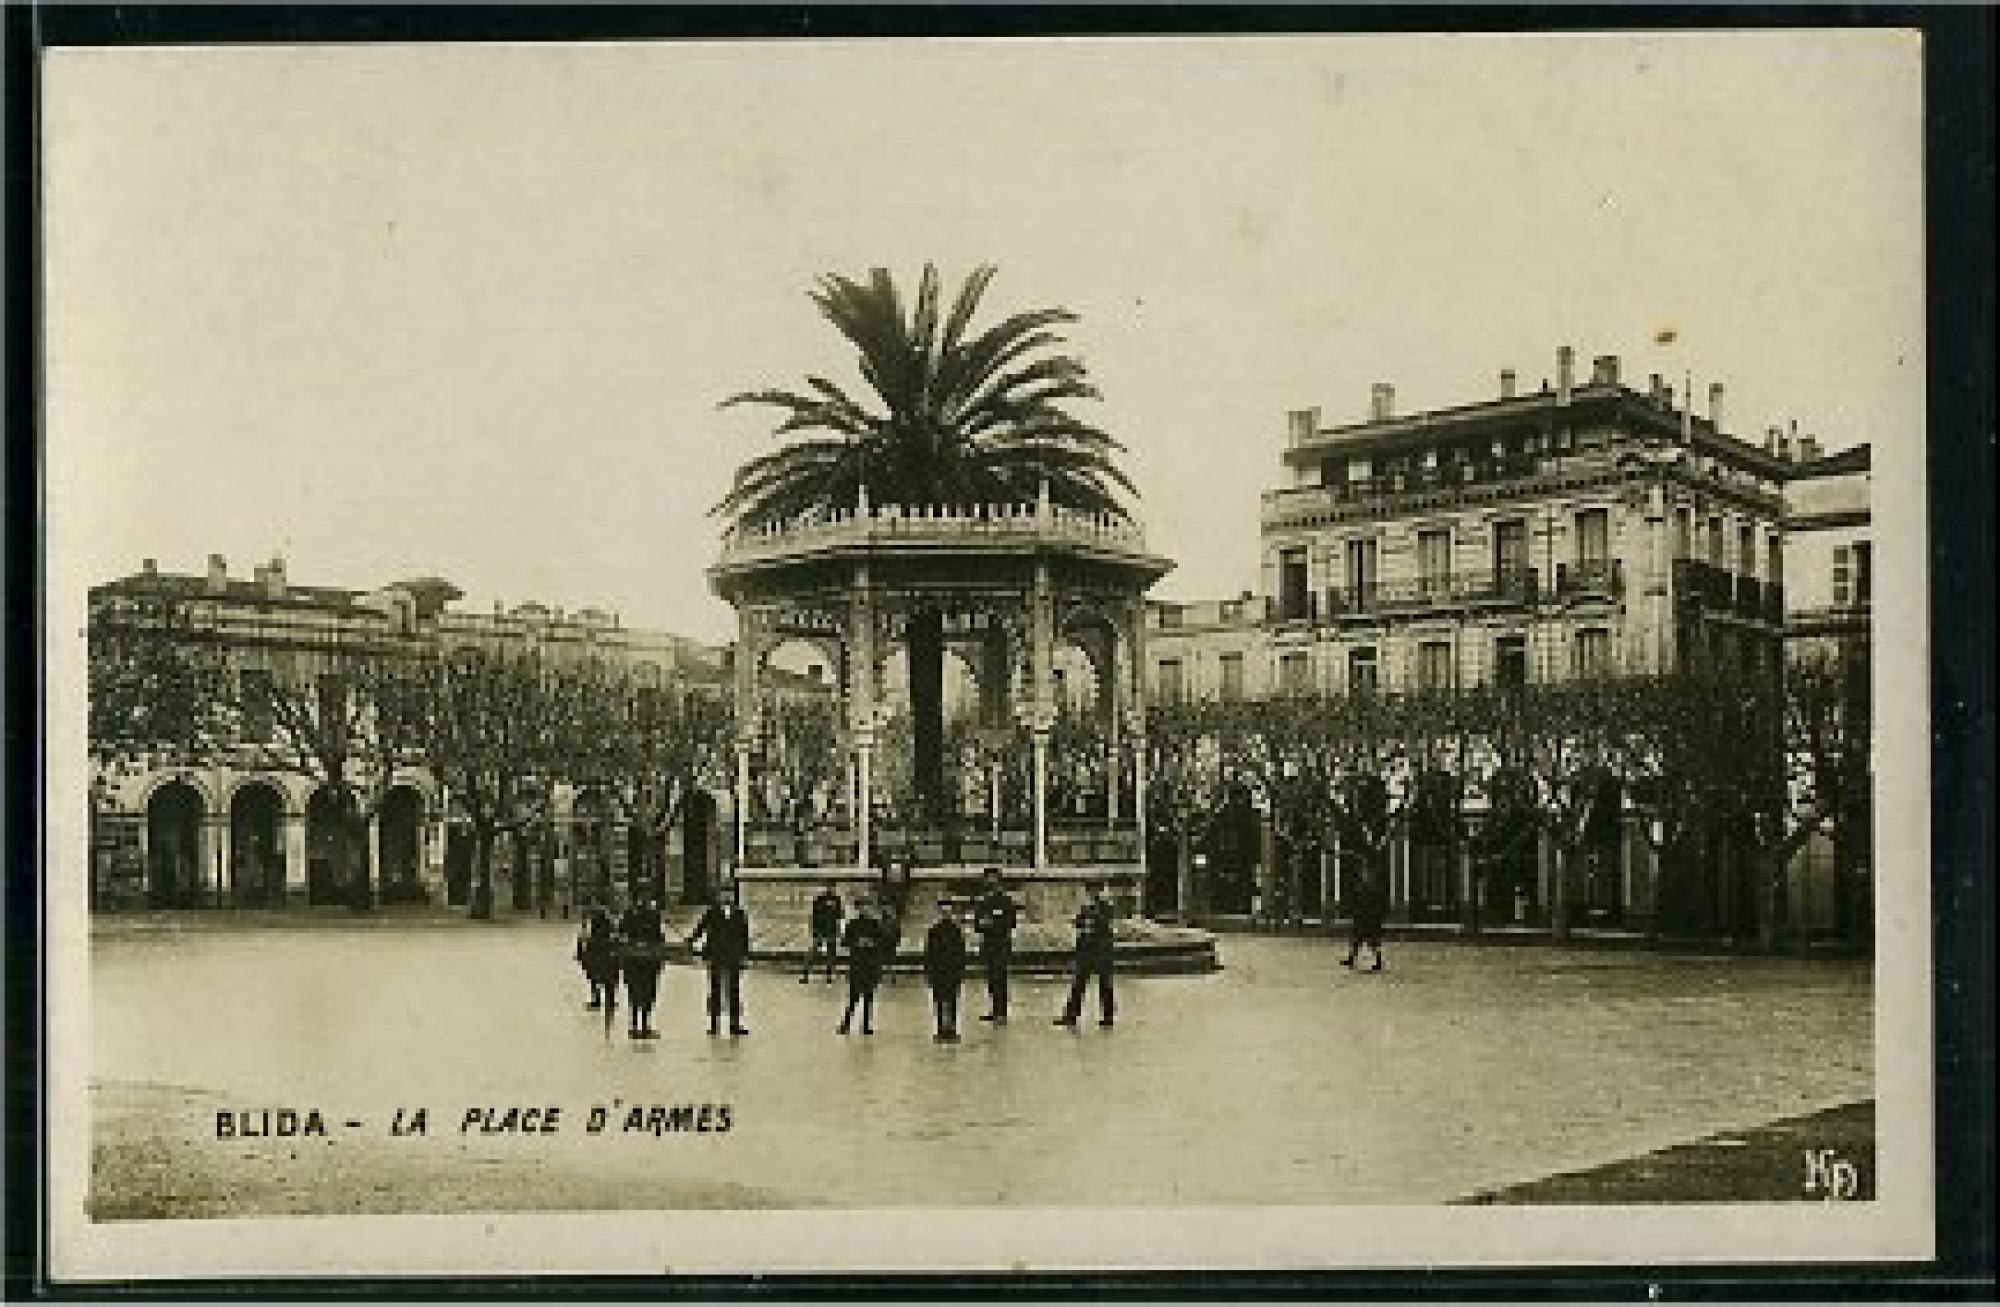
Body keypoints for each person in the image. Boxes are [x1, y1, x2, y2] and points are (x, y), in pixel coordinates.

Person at [686, 883, 752, 1035]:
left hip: (733, 956)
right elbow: (700, 929)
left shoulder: (740, 913)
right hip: (715, 955)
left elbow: (744, 936)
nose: (726, 897)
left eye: (729, 893)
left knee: (734, 990)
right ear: (718, 896)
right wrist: (690, 940)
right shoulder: (712, 912)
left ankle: (734, 1024)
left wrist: (745, 956)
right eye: (723, 893)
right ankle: (714, 1024)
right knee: (715, 989)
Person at [1055, 881, 1117, 1028]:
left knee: (1105, 984)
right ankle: (1071, 1014)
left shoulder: (1105, 906)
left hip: (1101, 951)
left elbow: (1103, 924)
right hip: (1086, 951)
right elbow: (1080, 924)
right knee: (1078, 983)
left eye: (1094, 890)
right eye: (1089, 890)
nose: (1091, 893)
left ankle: (1108, 1016)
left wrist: (1091, 917)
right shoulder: (1086, 908)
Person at [971, 867, 1020, 1022]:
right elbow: (977, 924)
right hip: (989, 944)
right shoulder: (983, 901)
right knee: (991, 978)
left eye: (994, 878)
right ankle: (994, 1009)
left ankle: (1002, 1011)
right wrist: (988, 924)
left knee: (1001, 977)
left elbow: (1011, 922)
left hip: (1001, 944)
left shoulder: (1005, 901)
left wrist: (992, 924)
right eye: (988, 878)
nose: (991, 882)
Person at [837, 897, 888, 1035]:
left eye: (866, 906)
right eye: (862, 906)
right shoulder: (852, 924)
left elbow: (882, 942)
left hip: (870, 963)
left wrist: (871, 943)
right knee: (854, 996)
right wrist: (857, 943)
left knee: (868, 997)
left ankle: (865, 1024)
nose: (864, 909)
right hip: (857, 963)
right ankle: (846, 1023)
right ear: (858, 908)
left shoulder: (874, 925)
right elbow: (845, 942)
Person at [617, 899, 667, 1039]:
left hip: (642, 961)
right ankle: (639, 1026)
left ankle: (639, 1026)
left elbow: (659, 937)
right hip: (640, 961)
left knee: (641, 993)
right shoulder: (648, 915)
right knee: (640, 992)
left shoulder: (639, 914)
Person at [923, 901, 969, 1042]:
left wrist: (960, 970)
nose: (946, 914)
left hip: (950, 971)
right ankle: (942, 1029)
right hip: (941, 971)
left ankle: (950, 1029)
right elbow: (929, 954)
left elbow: (961, 954)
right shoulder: (935, 932)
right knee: (942, 1000)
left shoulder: (955, 931)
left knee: (951, 1000)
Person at [1341, 860, 1388, 972]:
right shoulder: (1360, 888)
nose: (1365, 875)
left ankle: (1378, 961)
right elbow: (1355, 902)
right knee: (1356, 940)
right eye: (1364, 874)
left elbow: (1381, 904)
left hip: (1371, 919)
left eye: (1367, 874)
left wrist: (1379, 917)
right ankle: (1351, 959)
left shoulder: (1375, 890)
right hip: (1361, 918)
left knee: (1373, 942)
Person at [574, 902, 620, 1014]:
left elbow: (581, 942)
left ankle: (597, 1001)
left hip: (594, 958)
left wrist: (580, 954)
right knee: (609, 981)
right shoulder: (611, 934)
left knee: (594, 980)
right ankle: (611, 1001)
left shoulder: (591, 936)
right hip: (607, 959)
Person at [802, 881, 843, 984]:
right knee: (814, 953)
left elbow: (839, 916)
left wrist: (837, 930)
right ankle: (806, 974)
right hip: (821, 930)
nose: (830, 889)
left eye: (831, 887)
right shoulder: (821, 899)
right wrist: (815, 930)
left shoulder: (836, 900)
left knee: (830, 954)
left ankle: (828, 975)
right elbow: (814, 915)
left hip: (830, 930)